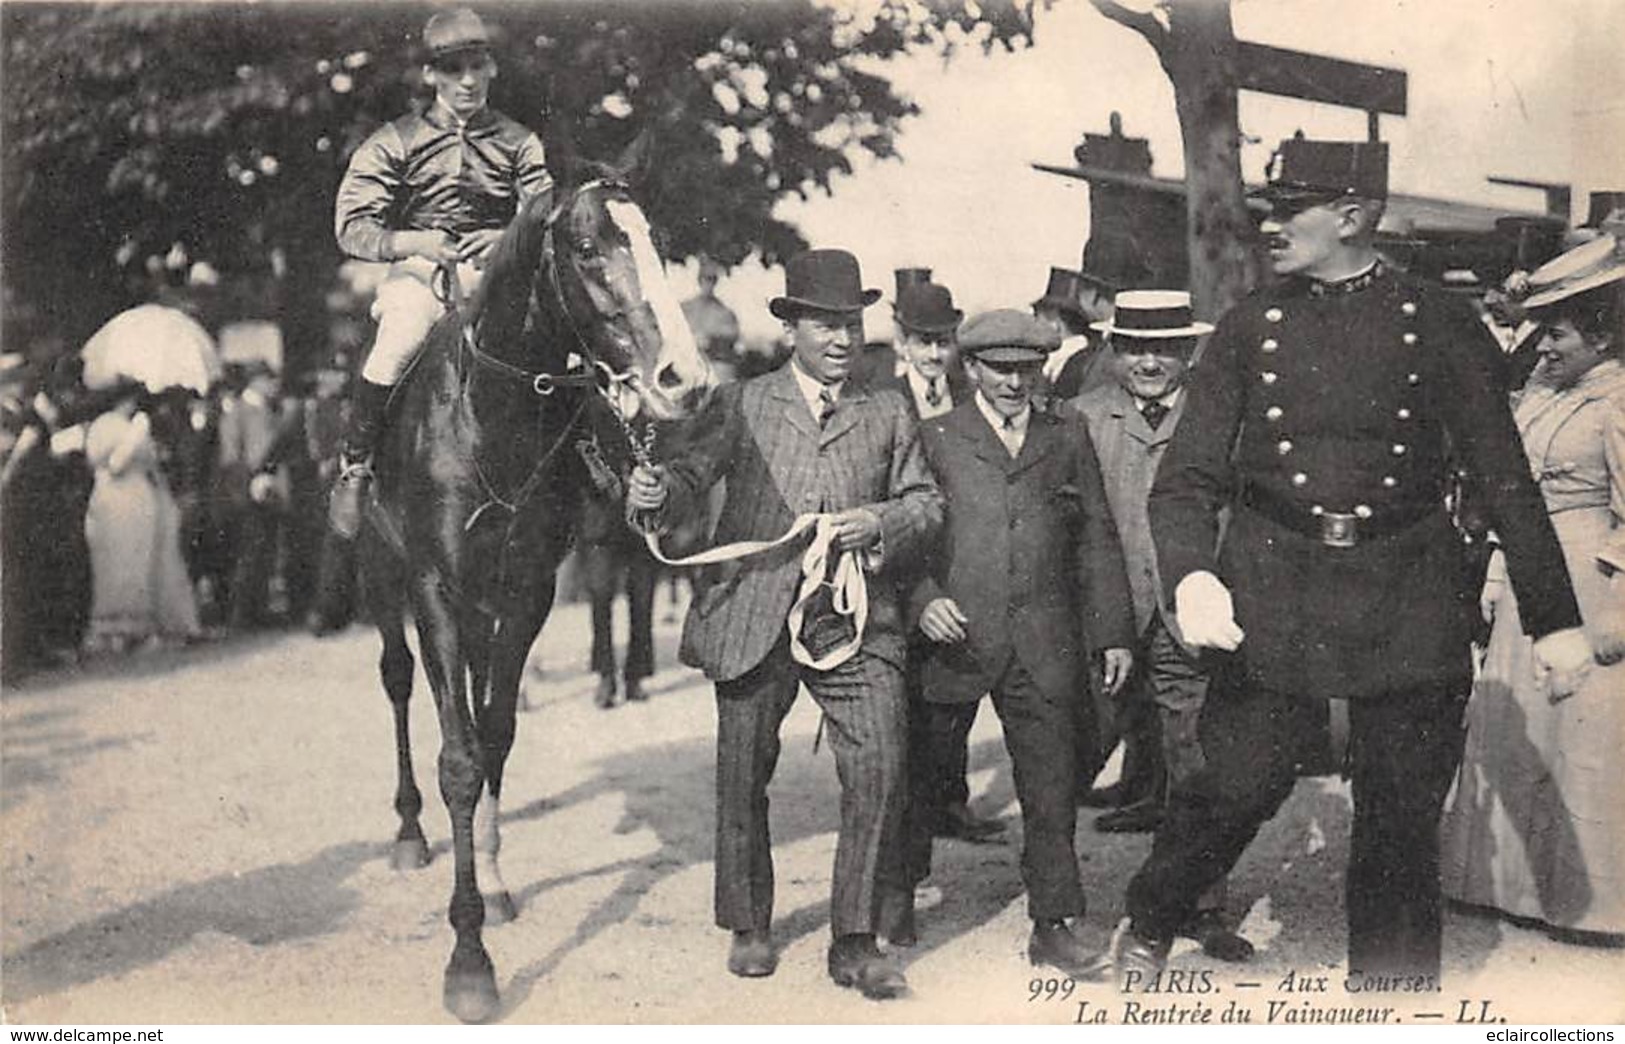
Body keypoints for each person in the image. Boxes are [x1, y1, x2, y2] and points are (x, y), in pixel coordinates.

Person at [1118, 139, 1592, 982]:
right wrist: (1192, 573)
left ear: (1350, 215)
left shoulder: (1440, 324)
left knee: (1400, 816)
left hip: (1406, 589)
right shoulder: (1247, 326)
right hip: (1276, 580)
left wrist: (1553, 618)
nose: (1268, 226)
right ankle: (1153, 914)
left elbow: (1503, 478)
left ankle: (1392, 996)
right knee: (1235, 783)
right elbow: (1183, 480)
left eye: (1287, 209)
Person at [625, 248, 943, 1000]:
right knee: (742, 774)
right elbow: (689, 479)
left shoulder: (887, 410)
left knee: (877, 765)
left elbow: (927, 502)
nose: (839, 339)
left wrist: (881, 521)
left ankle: (855, 938)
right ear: (792, 326)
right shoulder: (742, 404)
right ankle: (749, 922)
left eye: (850, 325)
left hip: (856, 617)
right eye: (824, 324)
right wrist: (654, 491)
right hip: (755, 609)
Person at [898, 308, 1134, 977]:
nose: (1012, 382)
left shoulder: (1066, 433)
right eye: (998, 369)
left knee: (1050, 784)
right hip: (955, 638)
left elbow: (1095, 535)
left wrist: (1112, 631)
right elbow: (907, 532)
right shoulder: (933, 436)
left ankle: (1054, 924)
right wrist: (923, 602)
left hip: (1043, 639)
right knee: (922, 772)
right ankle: (896, 891)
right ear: (968, 368)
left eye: (1025, 369)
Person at [1441, 233, 1625, 938]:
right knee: (1517, 725)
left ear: (1602, 337)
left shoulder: (1615, 402)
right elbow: (1511, 494)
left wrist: (1614, 612)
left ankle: (1593, 902)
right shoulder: (1545, 393)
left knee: (1582, 735)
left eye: (1557, 335)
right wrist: (1494, 569)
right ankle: (1508, 889)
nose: (1541, 349)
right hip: (1528, 573)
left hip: (1588, 578)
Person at [1066, 290, 1253, 961]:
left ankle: (1198, 907)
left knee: (1195, 763)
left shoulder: (1220, 417)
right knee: (1071, 755)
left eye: (1165, 348)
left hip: (1189, 616)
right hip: (1107, 620)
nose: (1149, 361)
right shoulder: (1080, 418)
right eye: (1135, 347)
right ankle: (1057, 914)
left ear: (1188, 352)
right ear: (1111, 351)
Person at [328, 7, 553, 539]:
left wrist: (504, 239)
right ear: (430, 75)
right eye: (453, 70)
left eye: (477, 66)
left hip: (497, 272)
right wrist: (416, 242)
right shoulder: (394, 140)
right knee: (399, 338)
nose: (468, 81)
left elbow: (547, 213)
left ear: (492, 68)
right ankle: (356, 468)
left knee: (558, 337)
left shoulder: (521, 142)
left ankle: (594, 468)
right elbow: (351, 224)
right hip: (420, 273)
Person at [874, 278, 1000, 845]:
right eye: (922, 341)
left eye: (943, 341)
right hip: (897, 562)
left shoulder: (969, 394)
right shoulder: (879, 396)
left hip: (955, 560)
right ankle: (906, 820)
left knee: (956, 689)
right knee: (903, 698)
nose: (932, 354)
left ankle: (950, 801)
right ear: (901, 340)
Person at [82, 387, 201, 653]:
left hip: (132, 496)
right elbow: (115, 464)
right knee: (122, 560)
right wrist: (137, 435)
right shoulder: (113, 426)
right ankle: (121, 628)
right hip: (121, 496)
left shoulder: (120, 425)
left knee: (137, 558)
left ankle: (136, 627)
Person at [1033, 267, 1115, 407]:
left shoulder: (1064, 362)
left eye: (1037, 317)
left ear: (1054, 322)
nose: (1033, 326)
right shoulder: (1091, 353)